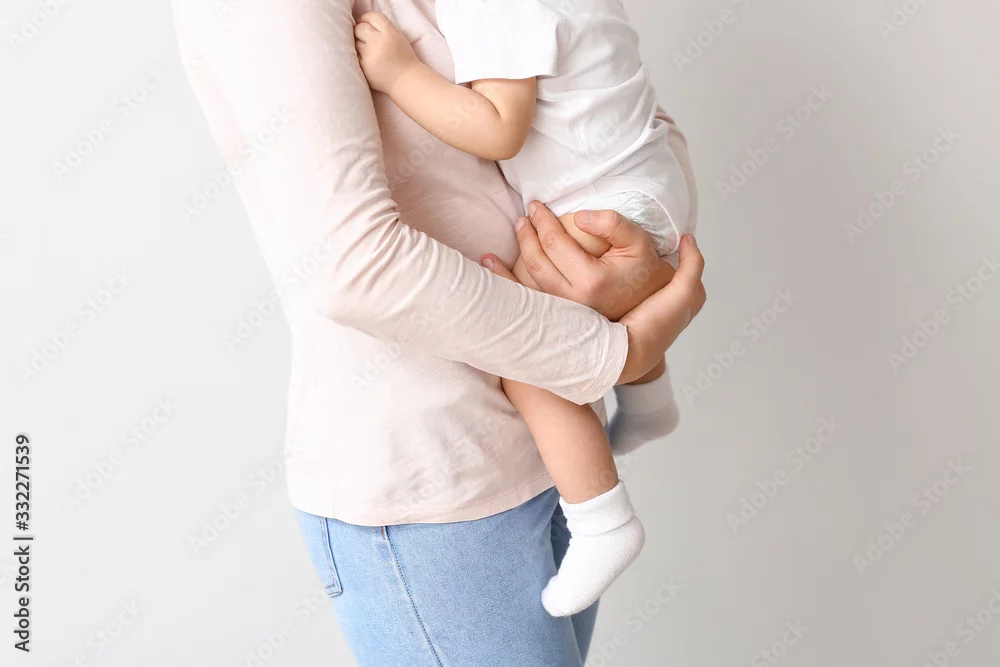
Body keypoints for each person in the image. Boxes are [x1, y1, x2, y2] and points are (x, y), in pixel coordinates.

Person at [171, 0, 704, 665]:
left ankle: (622, 466)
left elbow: (616, 108)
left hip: (554, 448)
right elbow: (353, 266)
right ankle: (614, 497)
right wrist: (615, 351)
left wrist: (637, 260)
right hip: (439, 488)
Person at [354, 1, 697, 617]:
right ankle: (652, 405)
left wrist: (400, 73)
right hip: (649, 177)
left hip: (605, 203)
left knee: (528, 355)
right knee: (616, 307)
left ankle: (602, 521)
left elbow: (498, 128)